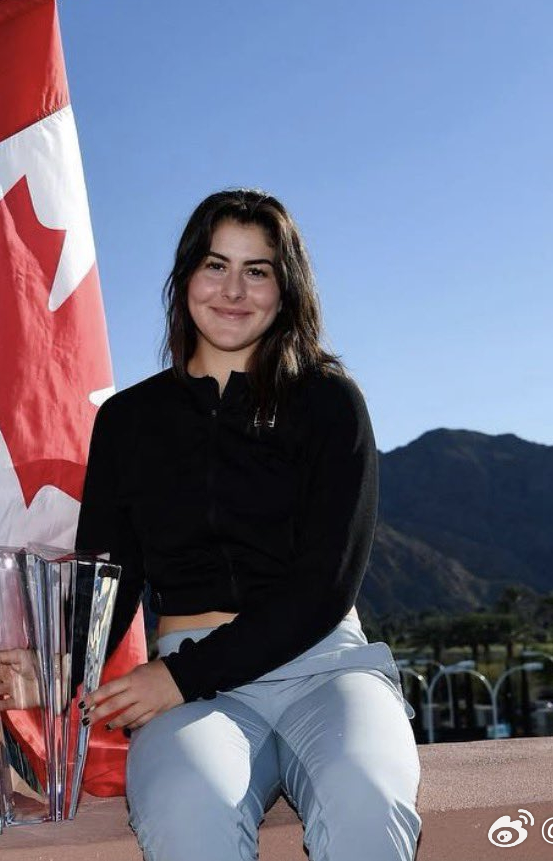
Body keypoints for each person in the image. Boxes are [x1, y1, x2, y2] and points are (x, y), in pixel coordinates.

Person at [75, 189, 421, 861]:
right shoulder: (128, 421)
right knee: (188, 812)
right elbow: (105, 586)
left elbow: (326, 586)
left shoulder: (330, 402)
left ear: (285, 288)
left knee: (367, 799)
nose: (233, 290)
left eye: (256, 270)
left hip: (325, 666)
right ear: (185, 278)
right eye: (215, 265)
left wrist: (180, 677)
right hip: (191, 683)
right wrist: (46, 666)